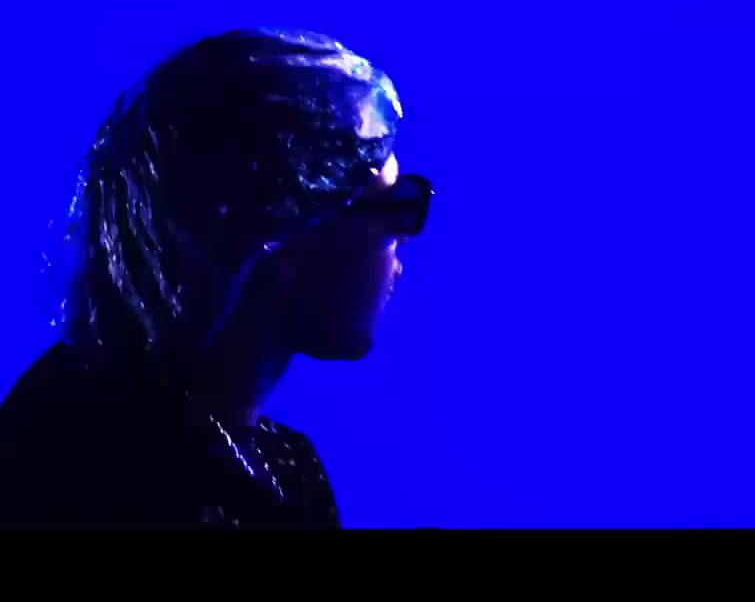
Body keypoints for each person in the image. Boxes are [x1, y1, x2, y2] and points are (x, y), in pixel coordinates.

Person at [0, 29, 432, 528]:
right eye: (395, 206)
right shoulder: (83, 469)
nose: (407, 237)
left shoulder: (284, 471)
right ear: (282, 225)